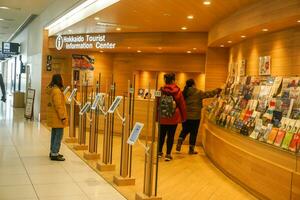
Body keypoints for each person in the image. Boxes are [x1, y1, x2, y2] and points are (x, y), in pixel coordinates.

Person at [176, 79, 221, 154]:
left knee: (184, 130)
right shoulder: (198, 92)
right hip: (195, 117)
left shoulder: (184, 92)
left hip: (186, 116)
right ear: (193, 84)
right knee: (193, 132)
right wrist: (217, 90)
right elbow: (208, 94)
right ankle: (191, 150)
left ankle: (180, 140)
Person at [158, 73, 187, 161]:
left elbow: (157, 103)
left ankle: (159, 152)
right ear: (173, 80)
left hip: (162, 117)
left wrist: (157, 117)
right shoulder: (177, 91)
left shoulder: (161, 90)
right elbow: (182, 105)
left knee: (161, 135)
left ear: (165, 80)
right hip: (173, 117)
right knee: (170, 136)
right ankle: (168, 154)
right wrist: (184, 117)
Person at [46, 74, 68, 161]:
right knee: (58, 135)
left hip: (54, 117)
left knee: (54, 135)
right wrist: (63, 117)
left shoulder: (52, 90)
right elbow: (59, 106)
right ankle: (55, 153)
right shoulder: (57, 91)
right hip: (58, 118)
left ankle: (53, 151)